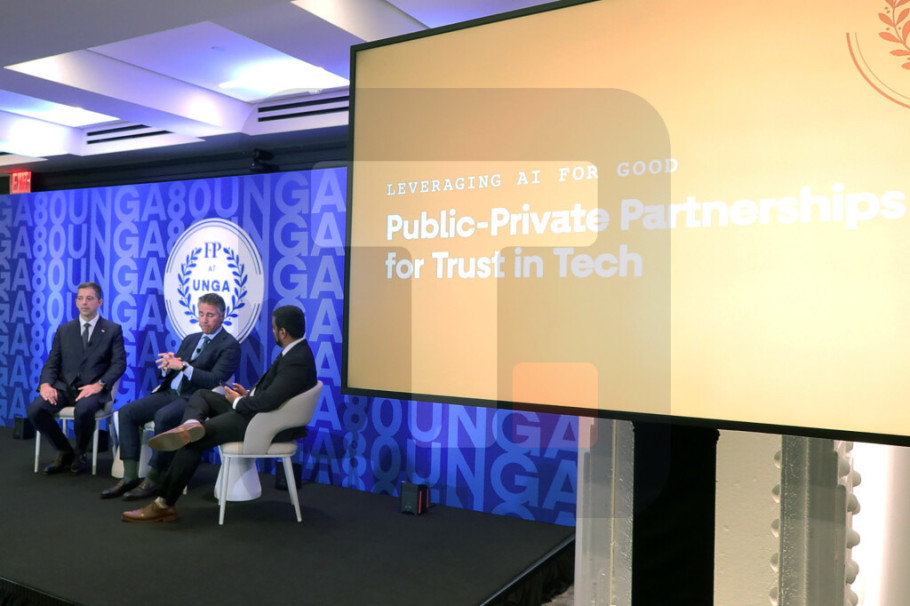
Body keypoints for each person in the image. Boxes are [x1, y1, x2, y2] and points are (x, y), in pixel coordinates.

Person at [121, 304, 317, 523]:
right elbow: (276, 393)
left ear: (283, 332)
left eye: (273, 328)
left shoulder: (296, 360)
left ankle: (163, 504)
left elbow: (270, 401)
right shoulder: (296, 353)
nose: (272, 332)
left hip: (262, 423)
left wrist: (239, 401)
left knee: (193, 440)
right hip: (257, 412)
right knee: (202, 395)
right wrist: (248, 394)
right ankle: (191, 423)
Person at [101, 293, 241, 500]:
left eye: (210, 315)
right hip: (169, 392)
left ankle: (154, 478)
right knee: (127, 412)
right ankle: (129, 476)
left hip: (194, 399)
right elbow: (176, 368)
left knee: (164, 417)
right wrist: (168, 367)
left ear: (222, 316)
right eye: (201, 314)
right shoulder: (191, 339)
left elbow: (215, 380)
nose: (204, 320)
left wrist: (183, 366)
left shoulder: (229, 345)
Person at [28, 282, 127, 474]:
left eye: (89, 298)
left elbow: (119, 364)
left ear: (99, 302)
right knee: (35, 410)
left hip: (94, 390)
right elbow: (52, 362)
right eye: (80, 298)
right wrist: (46, 384)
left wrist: (99, 384)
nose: (84, 303)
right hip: (64, 388)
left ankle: (80, 454)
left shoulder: (112, 330)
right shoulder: (64, 330)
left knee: (83, 410)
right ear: (75, 302)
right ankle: (65, 451)